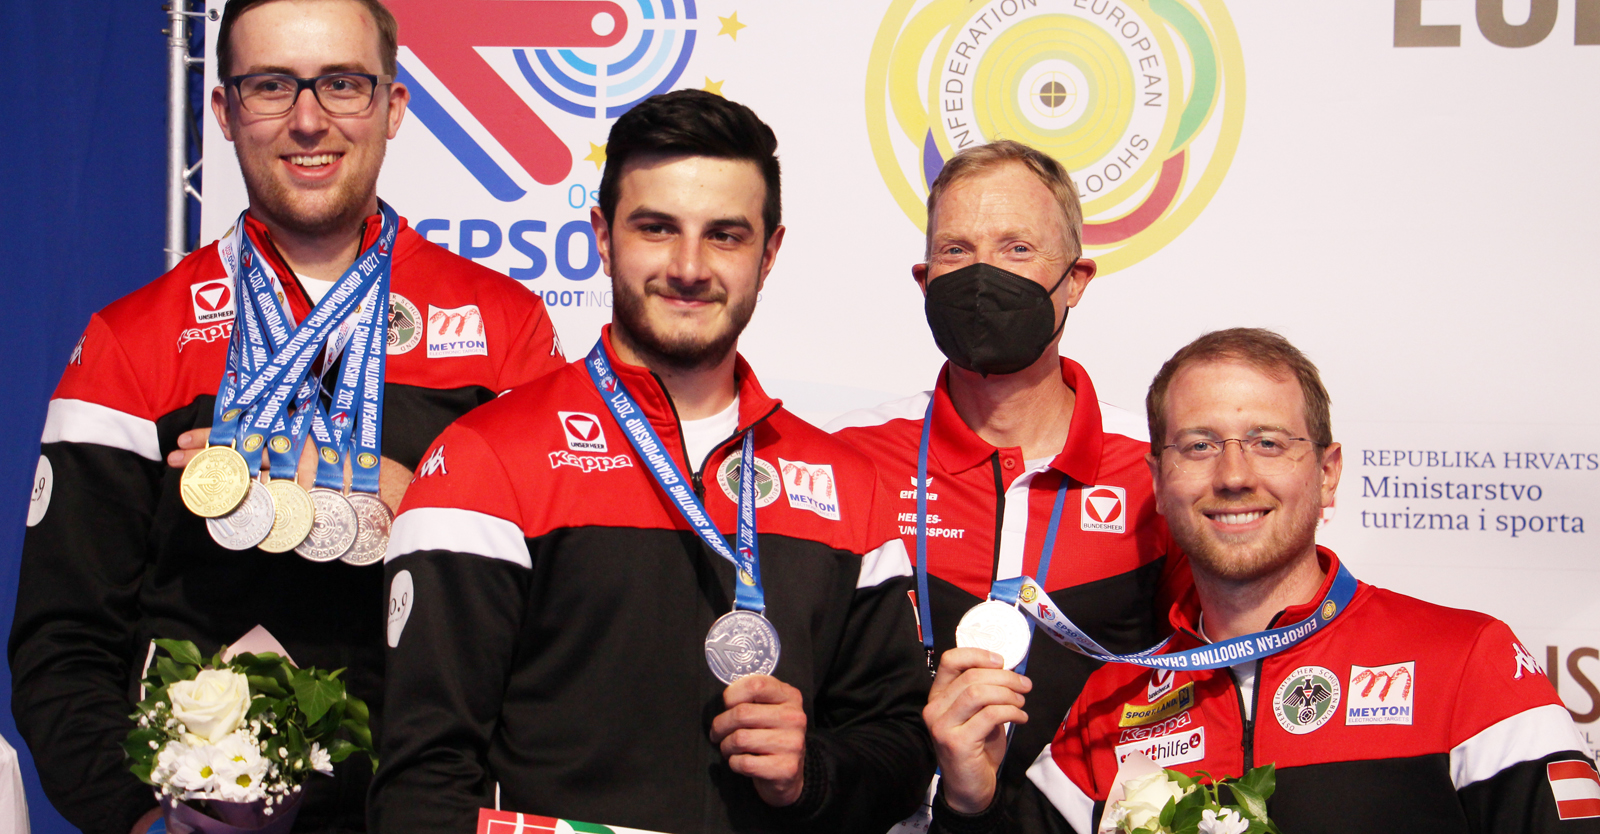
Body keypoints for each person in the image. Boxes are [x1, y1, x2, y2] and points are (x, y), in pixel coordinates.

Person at [8, 0, 564, 831]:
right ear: (225, 111)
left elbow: (562, 609)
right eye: (271, 85)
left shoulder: (504, 329)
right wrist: (136, 818)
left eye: (342, 83)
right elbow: (63, 639)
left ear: (393, 106)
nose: (309, 120)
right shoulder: (134, 340)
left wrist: (397, 493)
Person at [369, 89, 935, 833]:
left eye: (726, 235)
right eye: (657, 229)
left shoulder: (846, 483)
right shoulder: (487, 459)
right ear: (603, 238)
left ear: (770, 253)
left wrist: (811, 774)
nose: (690, 266)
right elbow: (420, 790)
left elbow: (898, 753)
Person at [926, 328, 1599, 833]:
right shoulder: (1111, 704)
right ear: (1159, 482)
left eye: (1268, 441)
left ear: (1328, 470)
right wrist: (970, 798)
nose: (1234, 473)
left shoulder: (1465, 660)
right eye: (1199, 444)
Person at [828, 140, 1184, 821]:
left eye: (1017, 248)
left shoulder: (1156, 475)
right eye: (957, 251)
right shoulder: (849, 462)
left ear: (1076, 278)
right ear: (924, 278)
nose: (983, 275)